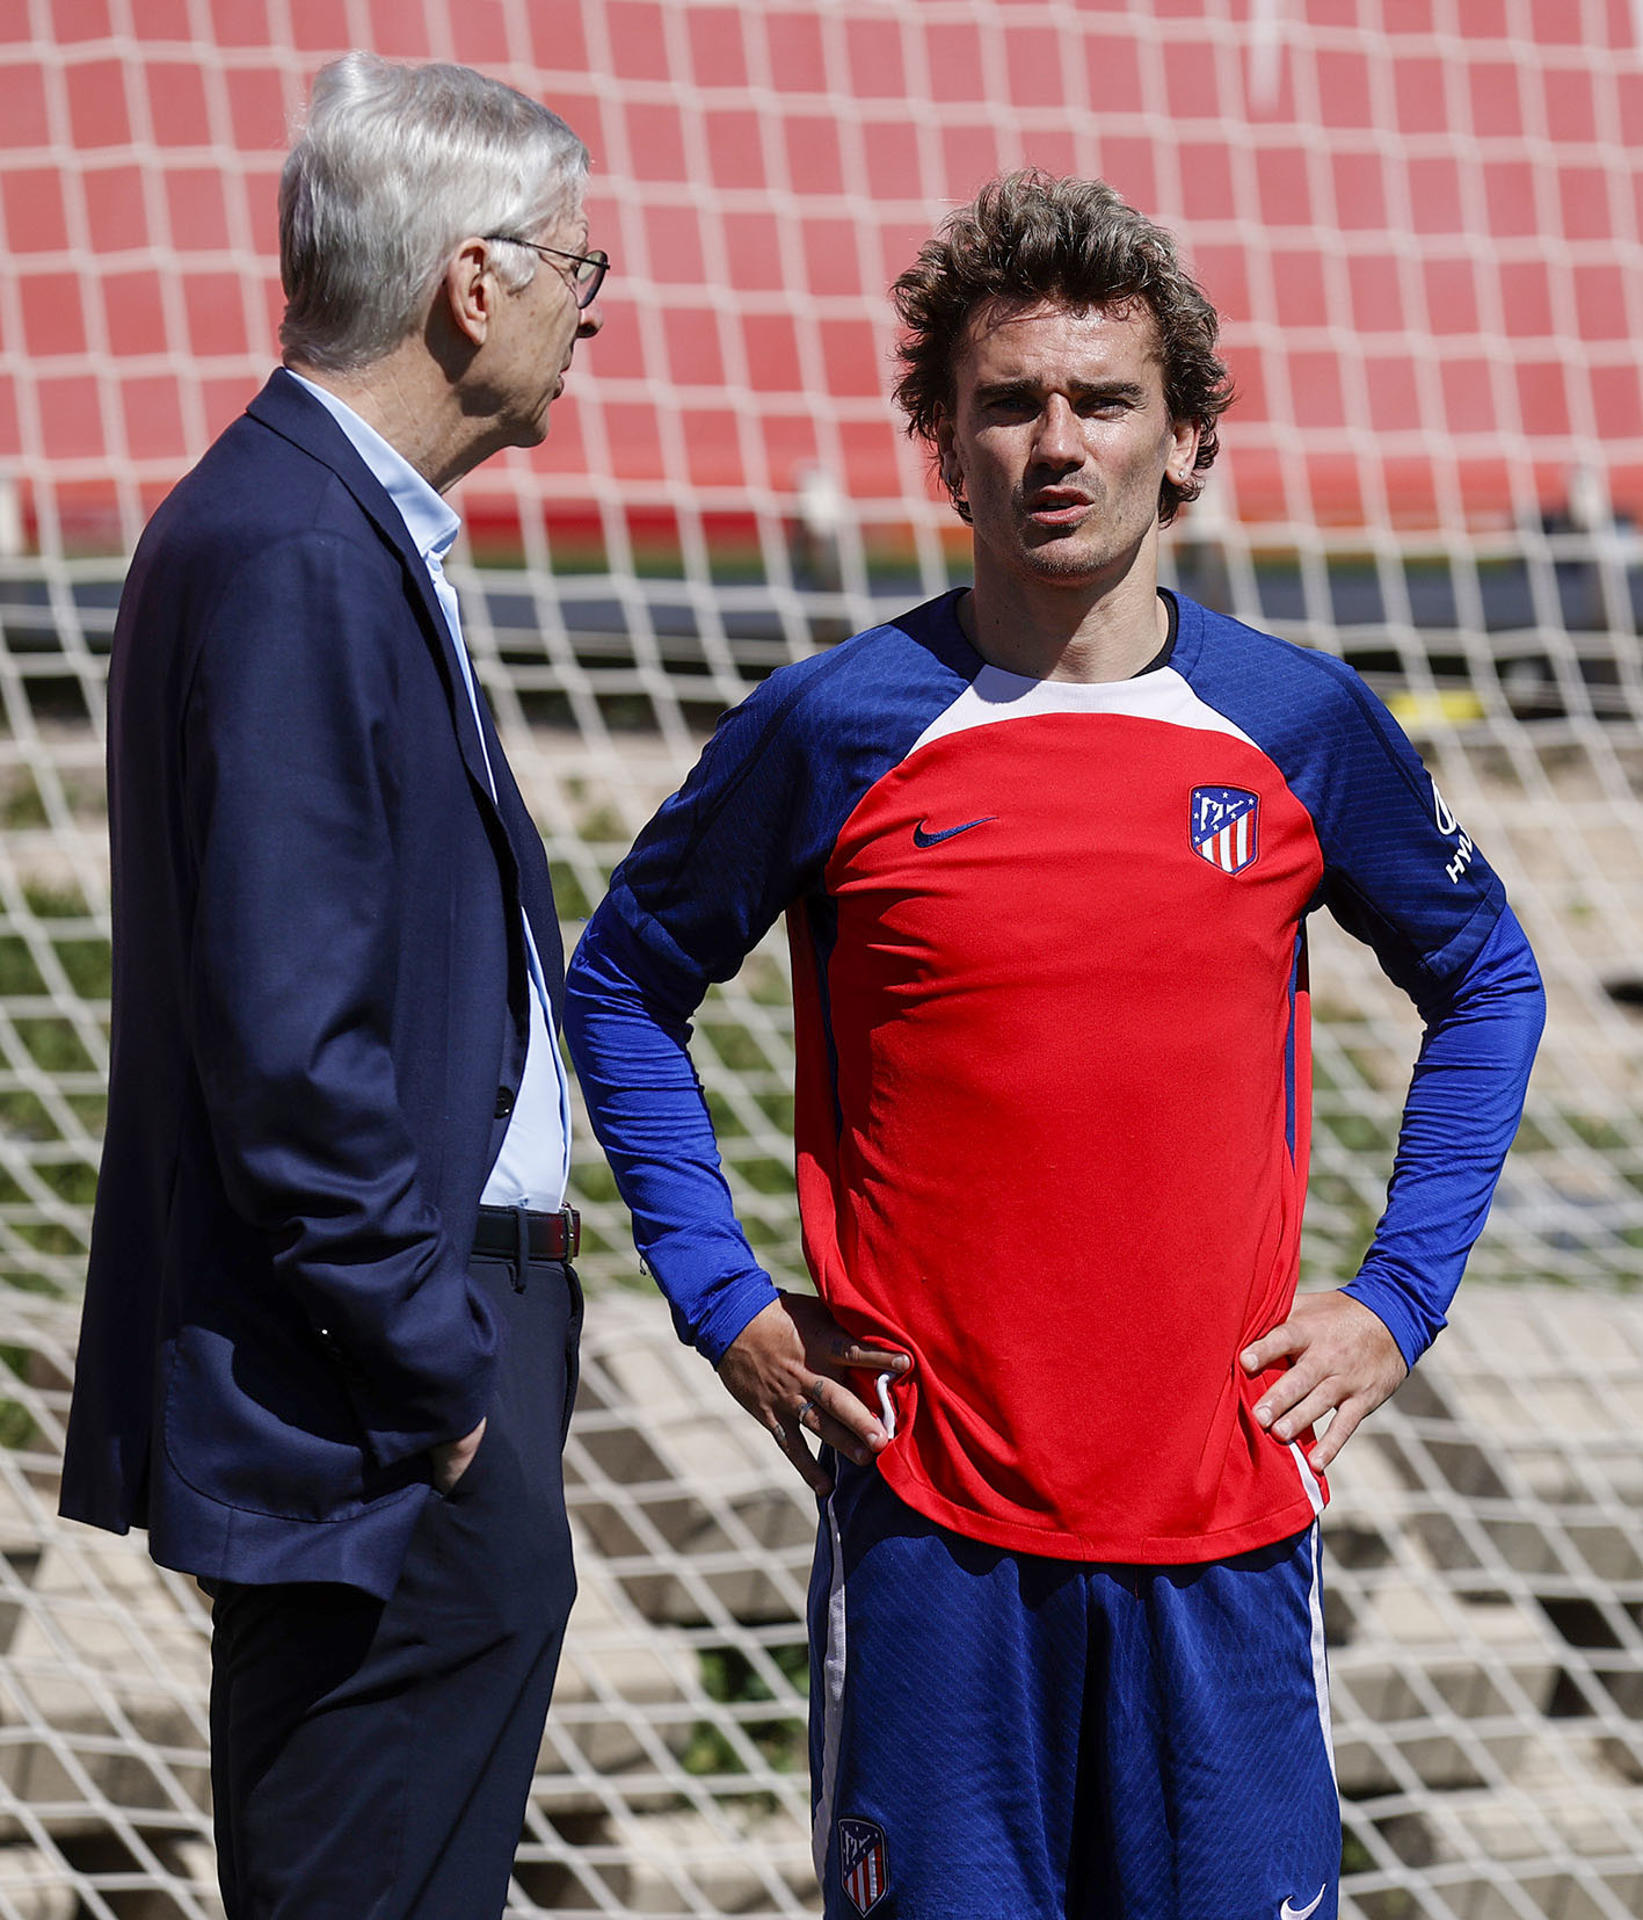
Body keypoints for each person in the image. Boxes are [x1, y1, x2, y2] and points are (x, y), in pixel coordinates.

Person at [566, 174, 1547, 1917]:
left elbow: (1490, 980)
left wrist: (1399, 1296)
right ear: (943, 448)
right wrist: (722, 1298)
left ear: (1187, 443)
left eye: (1102, 401)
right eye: (1006, 404)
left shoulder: (1301, 724)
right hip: (933, 1540)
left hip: (1223, 1532)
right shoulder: (832, 726)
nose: (1055, 443)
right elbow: (622, 986)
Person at [59, 53, 604, 1919]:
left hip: (407, 1363)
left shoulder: (317, 525)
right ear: (475, 284)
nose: (585, 321)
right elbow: (293, 1047)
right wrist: (439, 1380)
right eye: (575, 275)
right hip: (380, 1393)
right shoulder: (296, 545)